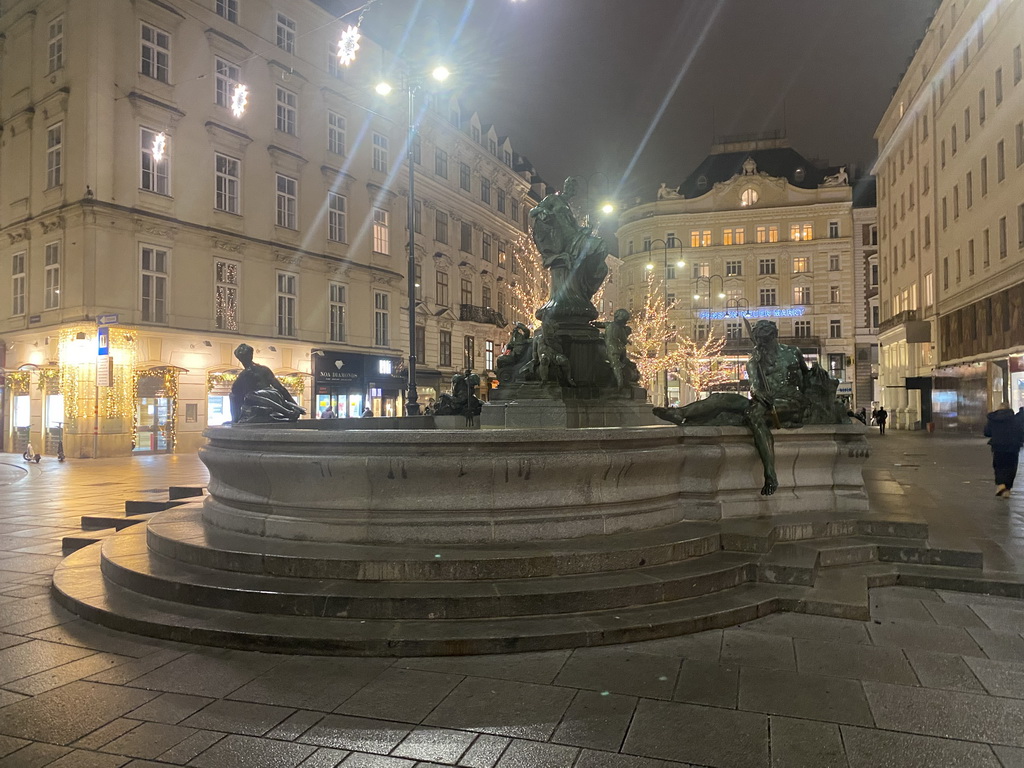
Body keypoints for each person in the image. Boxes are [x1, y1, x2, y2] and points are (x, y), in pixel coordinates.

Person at [985, 403, 1024, 498]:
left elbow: (987, 432)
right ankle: (1007, 488)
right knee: (1011, 467)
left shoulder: (993, 419)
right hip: (1013, 447)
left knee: (999, 466)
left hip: (998, 446)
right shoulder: (1015, 419)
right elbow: (1021, 431)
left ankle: (1001, 484)